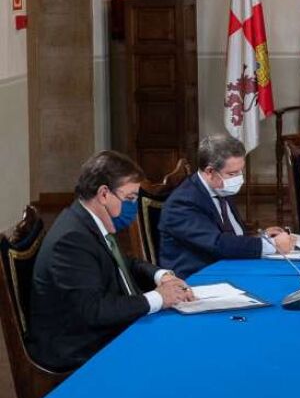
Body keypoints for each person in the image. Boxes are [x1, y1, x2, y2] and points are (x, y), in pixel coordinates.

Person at [29, 151, 195, 372]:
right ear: (104, 194)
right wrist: (158, 297)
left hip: (101, 331)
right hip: (81, 348)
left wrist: (161, 276)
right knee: (179, 352)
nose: (134, 206)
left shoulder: (89, 220)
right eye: (130, 198)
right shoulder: (71, 239)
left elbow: (125, 264)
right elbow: (94, 310)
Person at [159, 134, 297, 278]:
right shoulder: (182, 203)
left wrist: (261, 237)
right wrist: (271, 245)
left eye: (240, 171)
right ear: (210, 172)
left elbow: (231, 235)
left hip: (231, 266)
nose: (239, 178)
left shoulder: (220, 187)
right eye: (232, 173)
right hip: (200, 276)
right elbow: (217, 244)